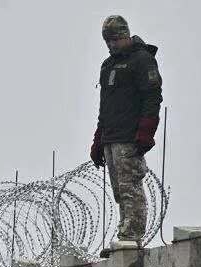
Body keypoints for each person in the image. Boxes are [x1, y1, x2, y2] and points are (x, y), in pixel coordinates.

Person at [89, 14, 161, 254]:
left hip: (129, 136)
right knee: (119, 190)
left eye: (115, 39)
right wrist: (99, 138)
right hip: (111, 135)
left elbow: (152, 98)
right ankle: (124, 231)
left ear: (126, 36)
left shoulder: (142, 60)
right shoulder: (108, 66)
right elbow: (105, 106)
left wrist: (145, 131)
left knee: (130, 186)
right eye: (108, 41)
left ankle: (132, 236)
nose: (111, 44)